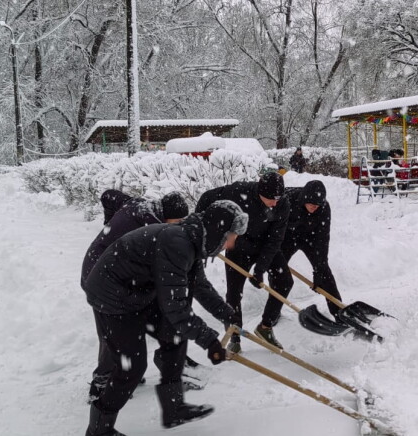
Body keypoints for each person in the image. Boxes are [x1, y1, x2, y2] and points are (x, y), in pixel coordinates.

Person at [83, 200, 248, 436]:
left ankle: (173, 408)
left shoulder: (192, 241)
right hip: (112, 296)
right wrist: (210, 341)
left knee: (174, 334)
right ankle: (99, 429)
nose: (232, 243)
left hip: (137, 292)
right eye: (232, 236)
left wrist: (227, 315)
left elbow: (199, 286)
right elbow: (177, 309)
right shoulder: (178, 243)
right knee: (132, 367)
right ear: (219, 232)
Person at [81, 190, 191, 403]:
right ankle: (102, 382)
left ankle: (131, 369)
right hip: (100, 275)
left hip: (119, 272)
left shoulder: (143, 206)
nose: (179, 226)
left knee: (137, 321)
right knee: (113, 329)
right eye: (177, 221)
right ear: (164, 216)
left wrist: (108, 222)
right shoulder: (148, 228)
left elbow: (110, 196)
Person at [195, 172, 290, 352]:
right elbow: (208, 197)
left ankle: (265, 327)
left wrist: (261, 268)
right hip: (239, 245)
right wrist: (200, 225)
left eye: (278, 199)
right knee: (234, 293)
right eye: (270, 199)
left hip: (265, 245)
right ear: (260, 192)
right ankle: (234, 336)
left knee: (284, 281)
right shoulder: (238, 191)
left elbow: (276, 238)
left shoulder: (282, 202)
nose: (275, 203)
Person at [270, 180, 342, 320]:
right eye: (312, 204)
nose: (315, 207)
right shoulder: (287, 199)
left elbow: (322, 239)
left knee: (324, 271)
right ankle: (273, 312)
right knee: (278, 271)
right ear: (304, 199)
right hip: (287, 237)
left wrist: (318, 270)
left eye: (318, 205)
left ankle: (338, 311)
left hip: (311, 238)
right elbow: (271, 223)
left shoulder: (324, 208)